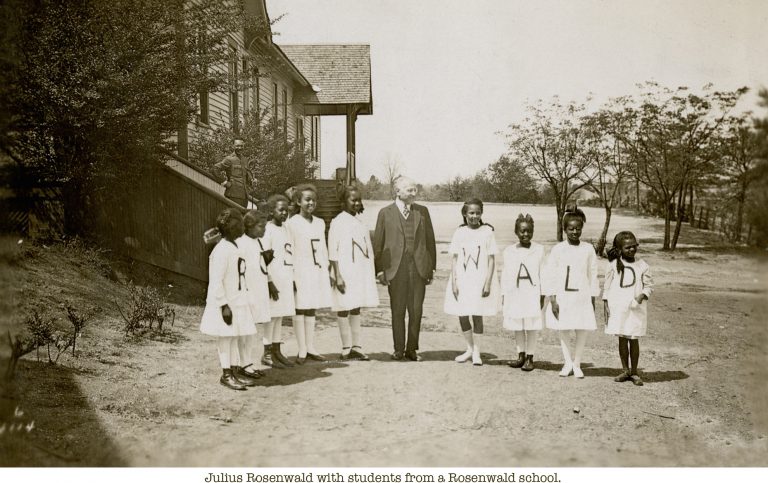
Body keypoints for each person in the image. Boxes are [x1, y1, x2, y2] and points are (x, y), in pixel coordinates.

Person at [373, 176, 436, 362]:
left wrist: (431, 268)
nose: (414, 193)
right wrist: (379, 270)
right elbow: (378, 244)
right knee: (397, 310)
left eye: (415, 189)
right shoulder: (385, 213)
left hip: (418, 268)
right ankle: (398, 349)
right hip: (396, 269)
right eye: (409, 190)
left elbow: (430, 241)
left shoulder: (422, 212)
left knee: (416, 311)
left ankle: (412, 349)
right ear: (397, 192)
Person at [200, 208, 257, 391]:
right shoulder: (221, 250)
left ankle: (234, 370)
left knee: (233, 336)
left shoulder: (234, 246)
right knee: (225, 337)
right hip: (224, 303)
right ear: (230, 227)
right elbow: (216, 281)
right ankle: (226, 374)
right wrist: (223, 305)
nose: (242, 226)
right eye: (238, 223)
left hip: (236, 300)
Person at [544, 207, 599, 379]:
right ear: (565, 229)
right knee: (564, 327)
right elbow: (551, 274)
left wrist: (592, 298)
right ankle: (567, 363)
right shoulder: (558, 249)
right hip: (563, 297)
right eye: (571, 229)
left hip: (581, 296)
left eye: (578, 228)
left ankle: (577, 363)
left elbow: (592, 274)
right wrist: (553, 299)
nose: (575, 232)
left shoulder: (588, 249)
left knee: (581, 328)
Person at [444, 199, 499, 366]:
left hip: (479, 280)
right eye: (471, 213)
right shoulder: (459, 232)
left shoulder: (487, 232)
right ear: (464, 214)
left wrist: (488, 283)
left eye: (478, 213)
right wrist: (454, 282)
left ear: (481, 214)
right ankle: (469, 348)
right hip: (462, 280)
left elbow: (491, 259)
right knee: (462, 314)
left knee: (477, 314)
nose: (474, 216)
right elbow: (454, 258)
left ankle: (477, 352)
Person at [328, 185, 380, 361]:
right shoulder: (338, 222)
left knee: (356, 306)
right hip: (344, 271)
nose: (357, 203)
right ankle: (346, 347)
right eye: (353, 200)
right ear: (344, 201)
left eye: (359, 200)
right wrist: (337, 275)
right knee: (343, 307)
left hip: (359, 271)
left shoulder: (359, 222)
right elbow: (332, 251)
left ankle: (356, 346)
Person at [286, 184, 333, 364]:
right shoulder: (292, 223)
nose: (311, 203)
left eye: (314, 200)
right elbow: (289, 250)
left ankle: (311, 346)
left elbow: (322, 248)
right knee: (300, 307)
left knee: (312, 306)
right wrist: (291, 276)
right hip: (300, 270)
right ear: (298, 202)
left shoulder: (319, 222)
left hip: (316, 270)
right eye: (307, 200)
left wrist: (326, 269)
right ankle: (302, 349)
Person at [603, 231, 654, 386]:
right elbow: (607, 287)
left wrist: (641, 296)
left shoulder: (643, 265)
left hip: (635, 309)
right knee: (622, 338)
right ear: (619, 250)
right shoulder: (613, 265)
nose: (632, 249)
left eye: (634, 246)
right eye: (627, 247)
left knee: (633, 338)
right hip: (619, 308)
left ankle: (634, 372)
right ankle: (625, 370)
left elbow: (649, 286)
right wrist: (606, 304)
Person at [501, 214, 545, 372]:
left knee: (531, 325)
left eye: (529, 231)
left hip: (532, 293)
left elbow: (543, 273)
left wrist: (542, 295)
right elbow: (505, 275)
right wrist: (504, 294)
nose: (526, 234)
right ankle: (521, 355)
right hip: (515, 293)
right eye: (522, 231)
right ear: (516, 232)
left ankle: (530, 357)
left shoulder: (539, 250)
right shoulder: (509, 251)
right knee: (517, 324)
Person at [235, 210, 272, 383]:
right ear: (249, 226)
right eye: (261, 226)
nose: (264, 230)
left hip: (258, 290)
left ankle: (247, 362)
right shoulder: (240, 243)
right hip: (246, 292)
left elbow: (262, 266)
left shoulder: (258, 242)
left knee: (251, 329)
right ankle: (241, 363)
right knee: (243, 329)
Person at [260, 194, 295, 368]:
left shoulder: (286, 229)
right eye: (280, 210)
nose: (284, 213)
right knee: (271, 316)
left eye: (286, 210)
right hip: (273, 278)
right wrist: (269, 282)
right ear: (271, 211)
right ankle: (266, 352)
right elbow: (263, 259)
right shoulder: (268, 230)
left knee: (280, 315)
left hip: (285, 277)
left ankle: (276, 350)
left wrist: (292, 277)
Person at [214, 139, 253, 208]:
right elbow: (215, 168)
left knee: (243, 214)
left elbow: (246, 175)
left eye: (241, 146)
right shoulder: (229, 159)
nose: (240, 148)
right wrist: (224, 182)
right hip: (233, 195)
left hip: (245, 195)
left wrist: (252, 180)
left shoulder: (245, 160)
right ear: (233, 146)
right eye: (237, 146)